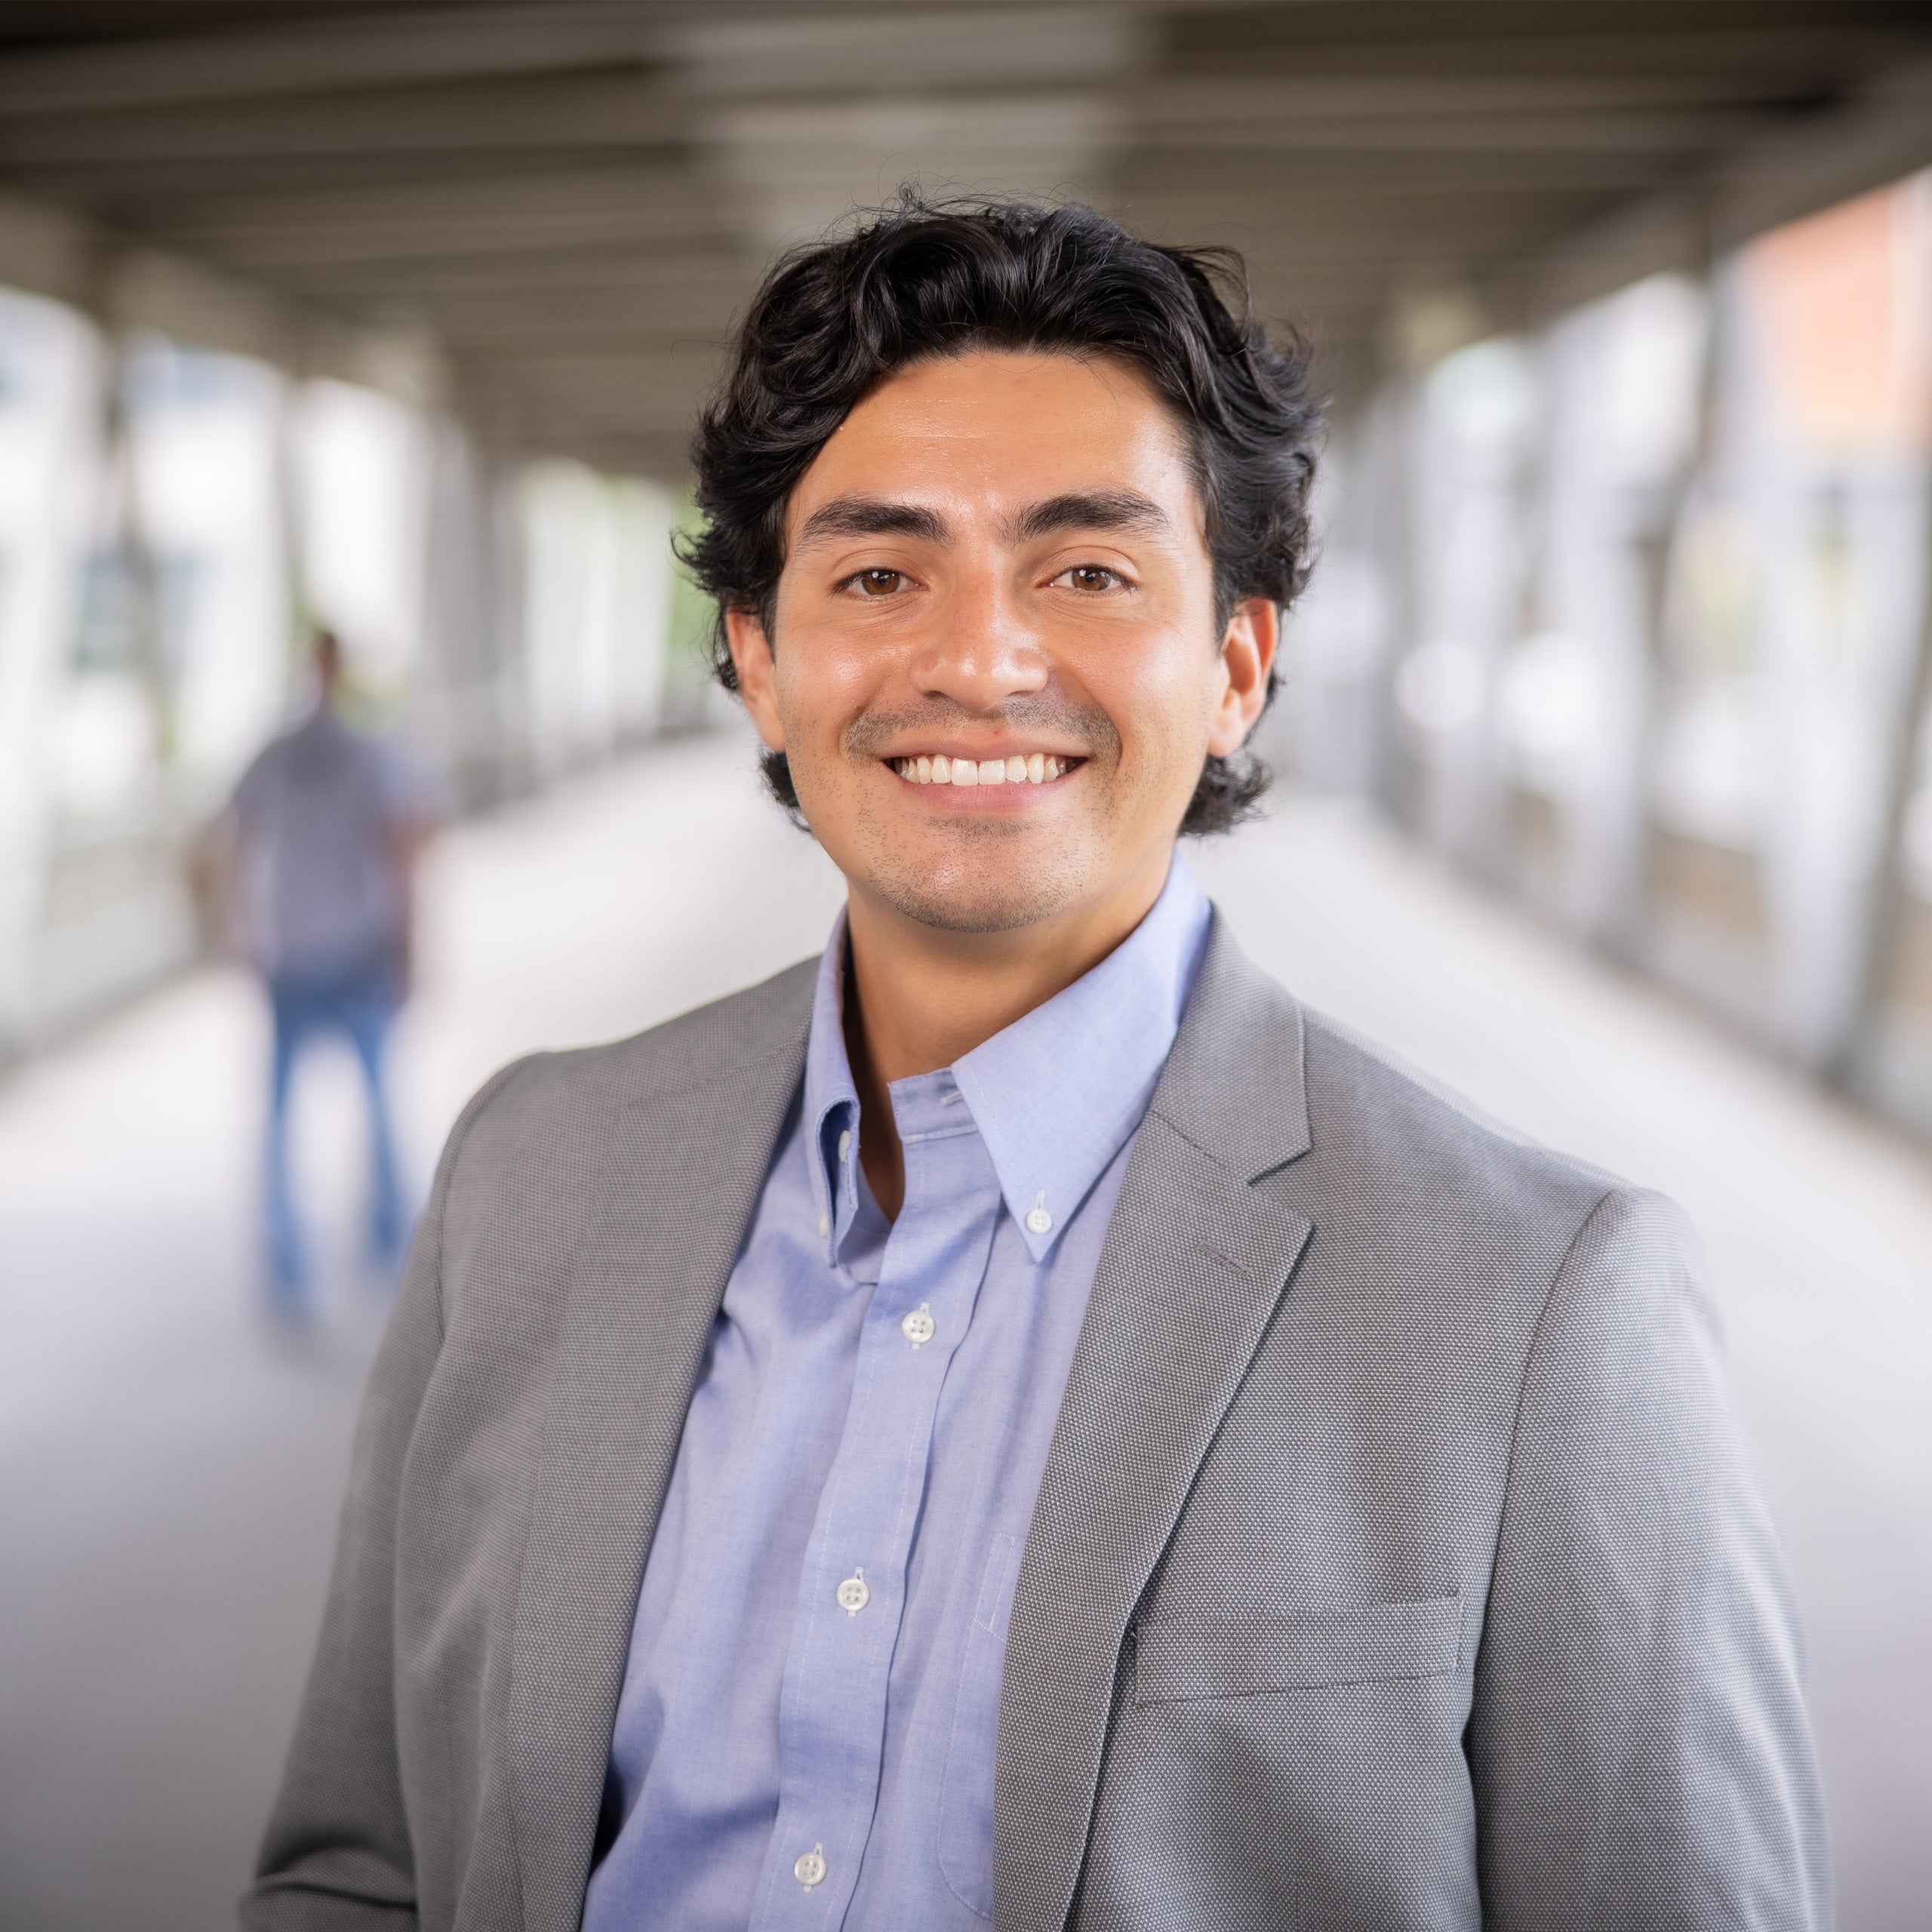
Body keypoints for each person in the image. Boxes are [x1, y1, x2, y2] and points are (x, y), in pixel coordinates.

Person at [245, 202, 1826, 1930]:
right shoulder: (527, 1174)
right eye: (875, 572)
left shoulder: (1539, 1303)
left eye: (1084, 569)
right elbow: (359, 1863)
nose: (979, 661)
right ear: (758, 662)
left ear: (1233, 664)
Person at [220, 629, 434, 1315]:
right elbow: (403, 848)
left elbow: (232, 840)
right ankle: (391, 1252)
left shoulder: (276, 754)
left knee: (287, 1117)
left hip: (297, 949)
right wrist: (412, 948)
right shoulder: (368, 754)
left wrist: (241, 927)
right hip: (351, 947)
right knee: (375, 1106)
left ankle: (289, 1268)